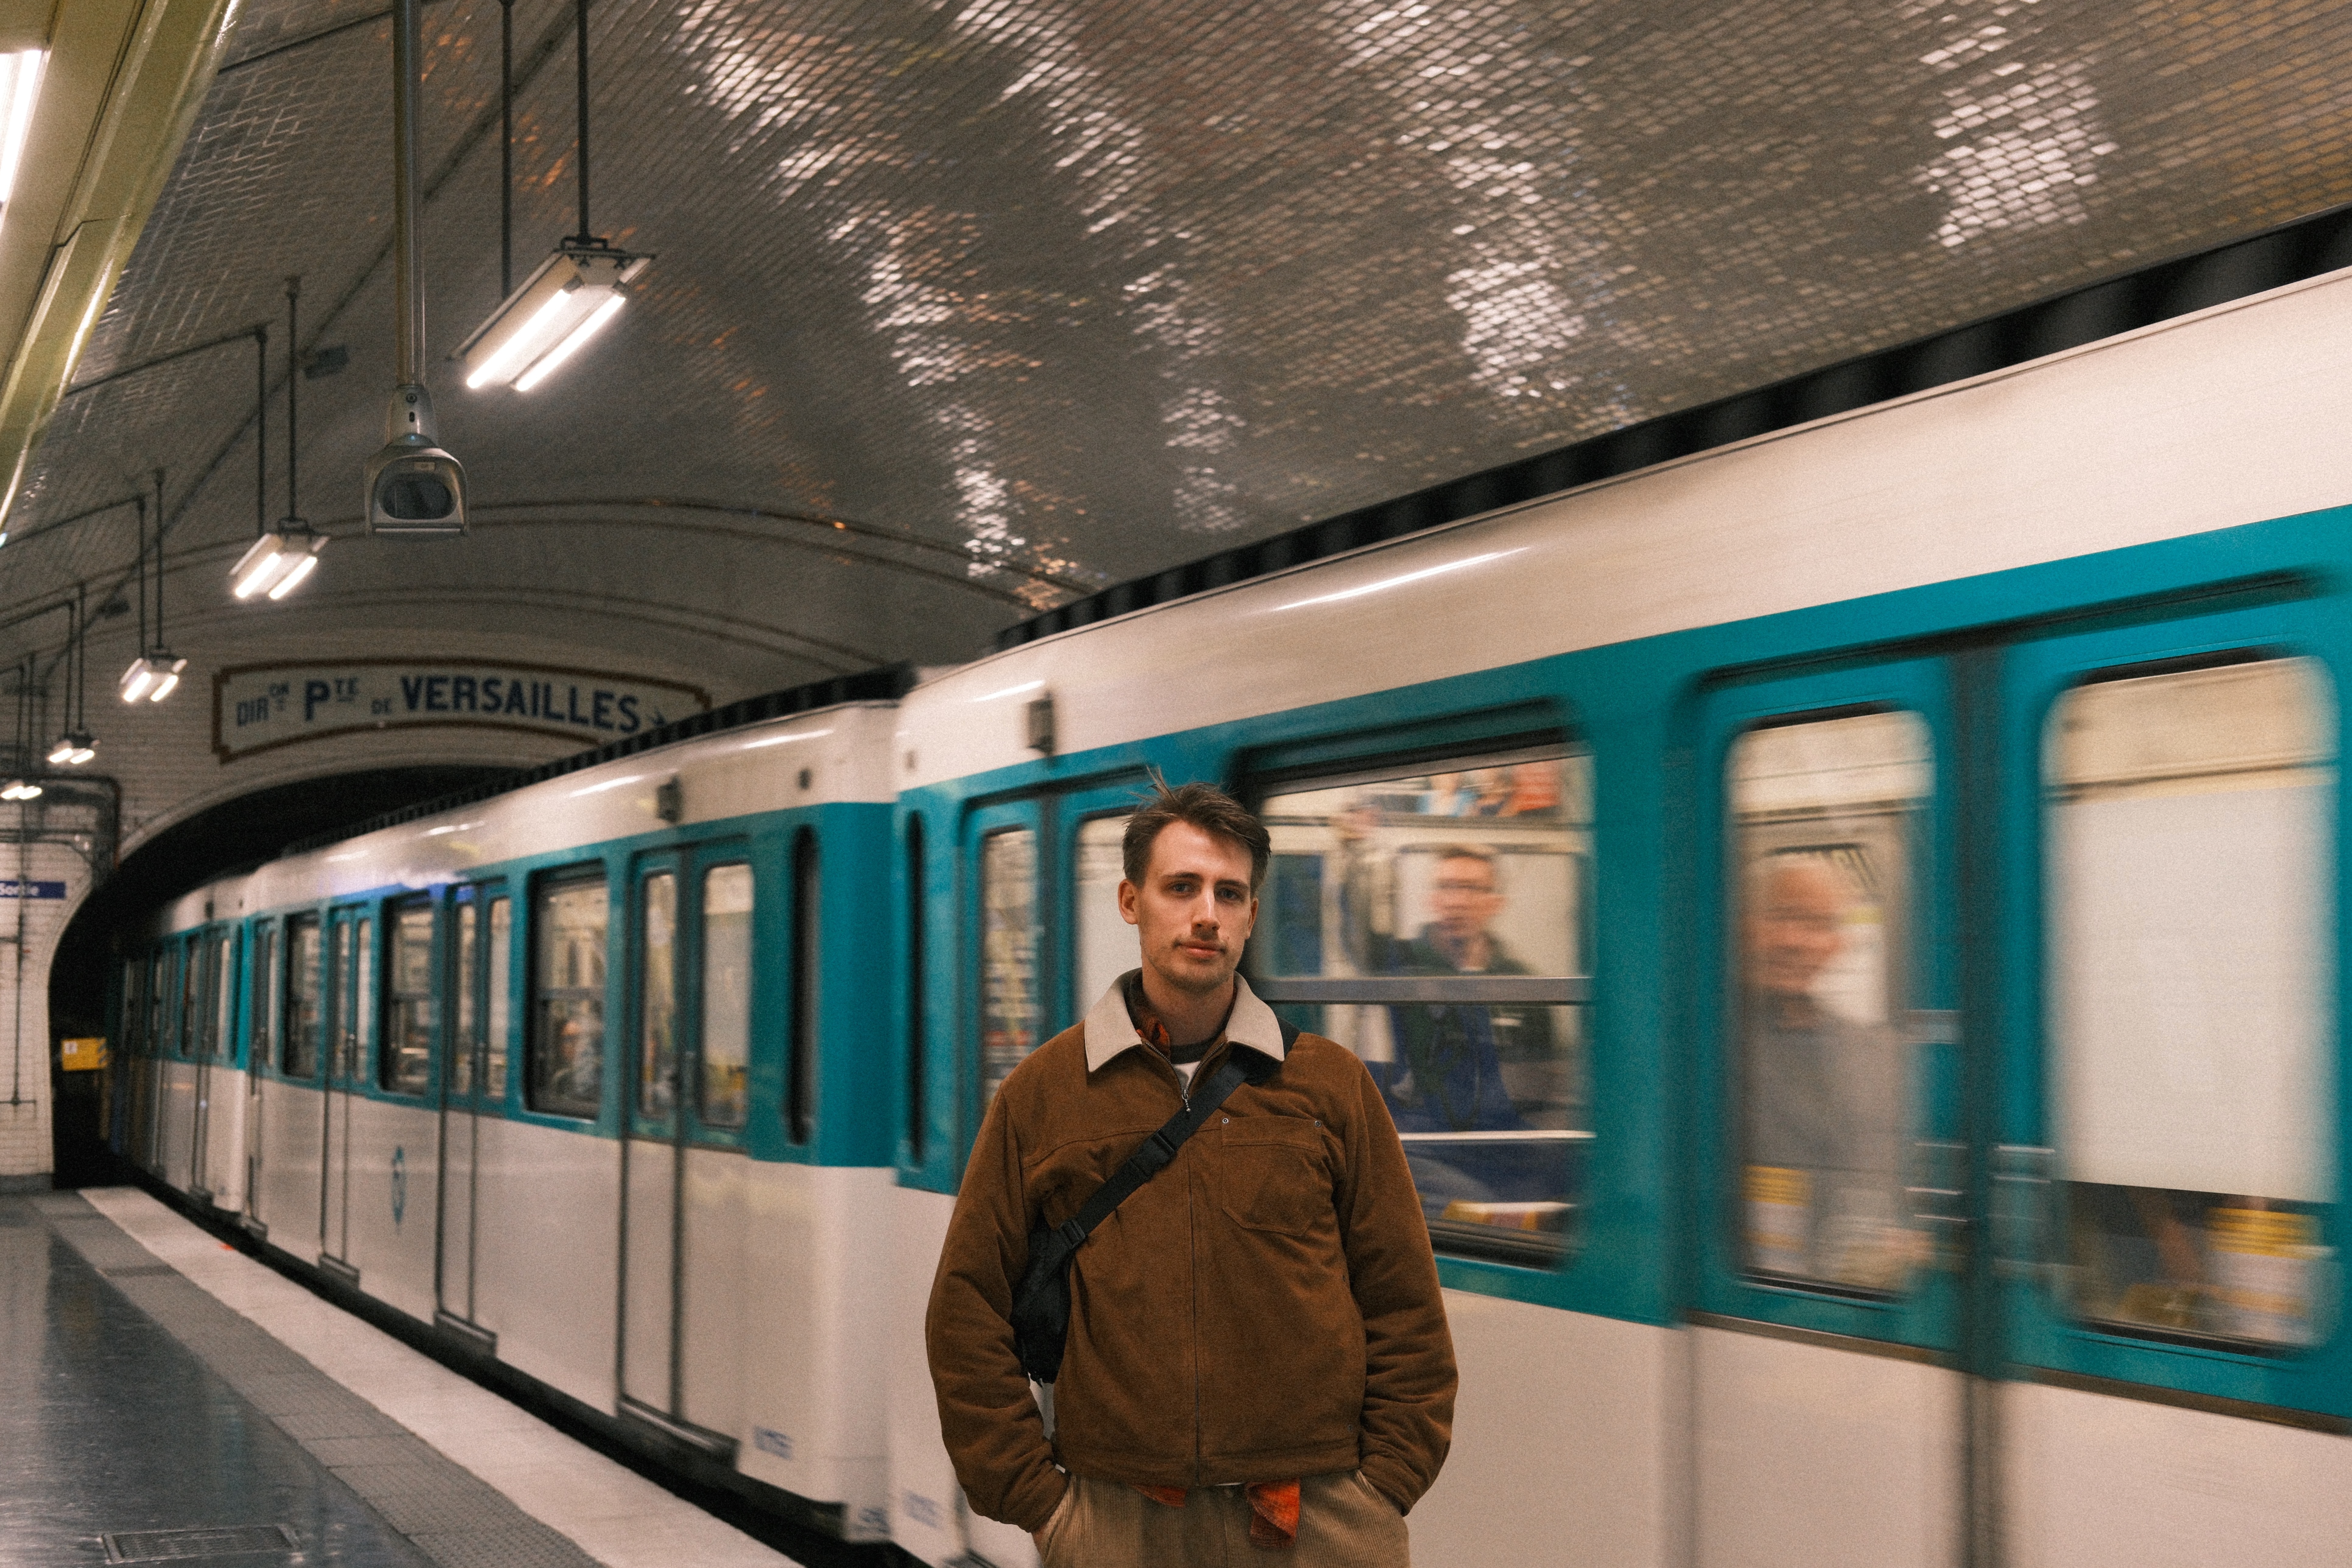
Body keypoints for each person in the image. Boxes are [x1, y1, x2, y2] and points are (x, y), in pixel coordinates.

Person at [927, 779, 1456, 1567]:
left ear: (1250, 914)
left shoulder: (1328, 1085)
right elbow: (966, 1309)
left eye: (1230, 893)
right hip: (1119, 1523)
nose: (1206, 912)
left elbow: (1403, 1301)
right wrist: (1045, 1508)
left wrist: (1380, 1489)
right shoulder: (1046, 1093)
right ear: (1132, 901)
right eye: (1182, 888)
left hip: (1318, 1519)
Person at [1740, 853, 1911, 1289]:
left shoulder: (1875, 1052)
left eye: (1817, 925)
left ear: (1839, 944)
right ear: (1744, 926)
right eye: (1782, 917)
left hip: (1850, 1291)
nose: (1794, 941)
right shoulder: (1700, 1046)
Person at [1369, 846, 1560, 1221]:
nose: (1457, 901)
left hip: (1500, 1135)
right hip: (1426, 1136)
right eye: (1447, 887)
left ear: (1495, 902)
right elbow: (1356, 933)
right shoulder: (1403, 961)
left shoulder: (1521, 982)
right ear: (1433, 899)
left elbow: (1538, 1082)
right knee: (1474, 1201)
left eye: (1471, 889)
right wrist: (1357, 852)